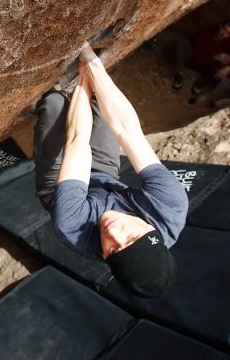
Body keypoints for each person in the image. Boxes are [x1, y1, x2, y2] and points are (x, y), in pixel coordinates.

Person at [33, 42, 188, 298]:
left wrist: (83, 81)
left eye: (113, 250)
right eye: (130, 238)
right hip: (105, 176)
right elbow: (128, 131)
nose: (113, 232)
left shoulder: (73, 228)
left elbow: (77, 140)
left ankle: (49, 97)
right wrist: (88, 60)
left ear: (104, 257)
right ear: (152, 230)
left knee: (55, 105)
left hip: (61, 190)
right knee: (105, 114)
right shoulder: (170, 207)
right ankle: (87, 95)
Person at [172, 18, 230, 105]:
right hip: (192, 61)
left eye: (228, 33)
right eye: (224, 29)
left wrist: (228, 68)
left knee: (224, 63)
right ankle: (179, 74)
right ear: (220, 26)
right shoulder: (208, 33)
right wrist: (215, 57)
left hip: (207, 68)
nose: (224, 34)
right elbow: (197, 56)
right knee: (182, 43)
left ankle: (202, 82)